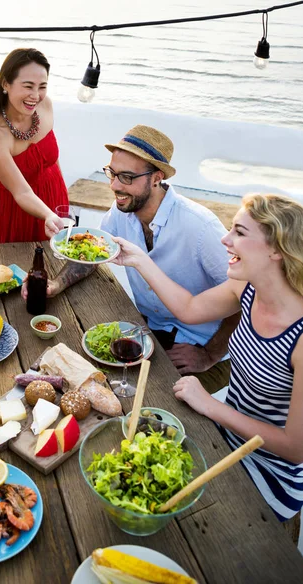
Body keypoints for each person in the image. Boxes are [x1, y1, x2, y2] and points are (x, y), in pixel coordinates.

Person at [114, 193, 303, 523]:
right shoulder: (246, 289)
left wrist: (210, 405)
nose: (225, 239)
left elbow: (296, 447)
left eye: (240, 233)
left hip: (269, 473)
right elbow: (188, 309)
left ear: (278, 249)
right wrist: (140, 260)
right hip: (224, 437)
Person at [25, 125, 239, 393]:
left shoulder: (200, 228)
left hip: (204, 347)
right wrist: (55, 285)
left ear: (156, 178)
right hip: (147, 331)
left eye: (126, 177)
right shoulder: (120, 212)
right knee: (85, 378)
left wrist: (209, 355)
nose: (115, 186)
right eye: (112, 173)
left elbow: (245, 297)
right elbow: (95, 254)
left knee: (152, 404)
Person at [0, 48, 68, 244]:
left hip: (54, 194)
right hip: (16, 209)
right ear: (6, 84)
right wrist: (48, 215)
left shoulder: (45, 106)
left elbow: (52, 156)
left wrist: (63, 194)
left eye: (42, 86)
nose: (35, 95)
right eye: (28, 86)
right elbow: (22, 192)